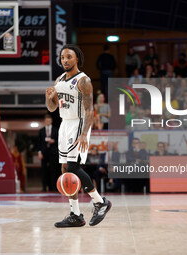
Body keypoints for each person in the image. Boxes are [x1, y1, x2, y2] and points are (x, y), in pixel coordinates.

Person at [45, 44, 112, 228]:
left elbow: (90, 110)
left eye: (69, 57)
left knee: (74, 167)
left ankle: (100, 202)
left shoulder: (83, 81)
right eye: (63, 57)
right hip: (64, 124)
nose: (65, 60)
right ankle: (76, 215)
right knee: (65, 169)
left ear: (77, 59)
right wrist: (48, 97)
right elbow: (52, 108)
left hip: (79, 122)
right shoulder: (59, 80)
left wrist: (84, 134)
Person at [38, 114, 59, 191]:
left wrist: (54, 141)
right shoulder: (41, 131)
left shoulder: (56, 130)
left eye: (49, 120)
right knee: (44, 170)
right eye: (46, 120)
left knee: (53, 170)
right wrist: (39, 152)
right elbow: (39, 143)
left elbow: (60, 141)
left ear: (51, 121)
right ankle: (44, 188)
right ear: (44, 121)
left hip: (53, 152)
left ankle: (53, 187)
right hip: (44, 153)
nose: (48, 122)